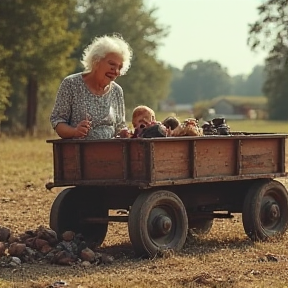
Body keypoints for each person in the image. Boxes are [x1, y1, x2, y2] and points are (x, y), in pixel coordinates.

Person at [50, 34, 133, 139]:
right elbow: (58, 120)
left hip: (111, 151)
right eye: (112, 64)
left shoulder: (117, 91)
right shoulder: (71, 84)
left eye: (119, 67)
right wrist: (74, 132)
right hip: (78, 151)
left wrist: (125, 133)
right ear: (96, 61)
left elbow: (120, 127)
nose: (116, 71)